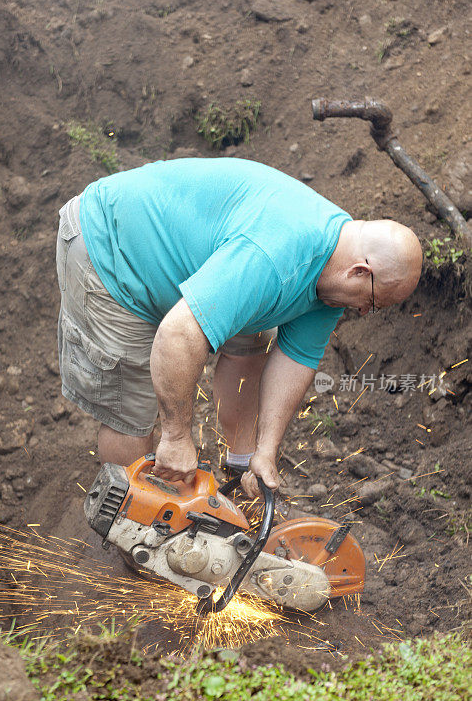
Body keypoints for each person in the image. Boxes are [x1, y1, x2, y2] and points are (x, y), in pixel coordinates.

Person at [55, 158, 422, 497]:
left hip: (188, 264)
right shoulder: (275, 256)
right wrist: (178, 436)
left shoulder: (332, 280)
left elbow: (296, 359)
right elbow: (178, 334)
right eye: (372, 302)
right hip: (111, 250)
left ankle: (240, 466)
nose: (363, 312)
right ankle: (130, 532)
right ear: (360, 271)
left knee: (253, 345)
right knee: (132, 410)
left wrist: (265, 453)